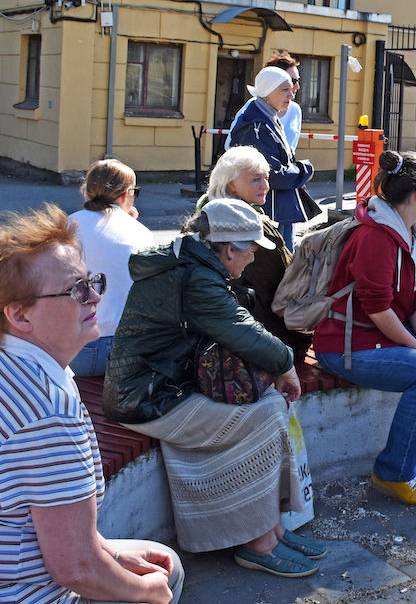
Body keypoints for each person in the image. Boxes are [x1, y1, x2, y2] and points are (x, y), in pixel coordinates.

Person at [0, 205, 183, 604]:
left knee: (160, 563)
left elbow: (62, 540)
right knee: (165, 579)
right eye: (77, 289)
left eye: (92, 281)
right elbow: (76, 569)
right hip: (2, 596)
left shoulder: (0, 366)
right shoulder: (44, 413)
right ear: (20, 315)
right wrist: (149, 592)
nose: (95, 297)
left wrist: (115, 553)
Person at [104, 199, 322, 578]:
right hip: (146, 398)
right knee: (268, 414)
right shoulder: (197, 278)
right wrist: (287, 365)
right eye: (250, 250)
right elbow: (240, 328)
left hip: (164, 384)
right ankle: (256, 544)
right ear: (226, 248)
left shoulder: (186, 262)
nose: (252, 259)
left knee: (270, 403)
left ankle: (271, 528)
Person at [312, 151, 416, 506]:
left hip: (379, 336)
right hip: (345, 345)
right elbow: (379, 310)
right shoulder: (377, 237)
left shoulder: (414, 230)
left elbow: (414, 297)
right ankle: (394, 472)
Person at [197, 146, 309, 361]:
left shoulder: (202, 215)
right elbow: (279, 286)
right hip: (261, 339)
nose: (266, 186)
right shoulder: (252, 226)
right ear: (232, 183)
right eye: (256, 179)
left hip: (215, 335)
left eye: (266, 178)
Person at [68, 159, 155, 376]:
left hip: (76, 349)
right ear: (127, 194)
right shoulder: (141, 233)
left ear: (87, 192)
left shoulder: (68, 225)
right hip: (127, 351)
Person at [229, 65, 314, 251]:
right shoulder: (256, 126)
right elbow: (271, 174)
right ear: (267, 93)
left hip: (275, 209)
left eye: (291, 88)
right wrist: (304, 170)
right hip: (270, 212)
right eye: (285, 89)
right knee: (278, 270)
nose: (291, 94)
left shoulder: (265, 116)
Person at [228, 51, 303, 151]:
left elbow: (289, 151)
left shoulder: (295, 109)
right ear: (272, 84)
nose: (297, 87)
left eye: (298, 80)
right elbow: (230, 144)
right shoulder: (253, 110)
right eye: (292, 81)